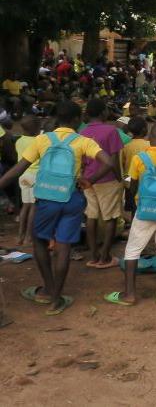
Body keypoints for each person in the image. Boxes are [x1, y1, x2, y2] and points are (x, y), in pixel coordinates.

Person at [0, 101, 113, 314]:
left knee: (39, 241)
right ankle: (56, 300)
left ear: (58, 119)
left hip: (46, 199)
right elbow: (108, 162)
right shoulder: (83, 141)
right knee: (63, 247)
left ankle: (48, 288)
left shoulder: (42, 139)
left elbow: (17, 169)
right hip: (71, 199)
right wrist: (89, 180)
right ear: (76, 120)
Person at [105, 123, 156, 305]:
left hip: (144, 209)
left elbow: (132, 186)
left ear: (149, 138)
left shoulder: (139, 158)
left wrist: (135, 201)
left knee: (133, 250)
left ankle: (129, 294)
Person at [80, 98, 125, 269]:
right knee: (110, 217)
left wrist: (85, 177)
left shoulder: (82, 132)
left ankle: (94, 256)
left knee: (91, 216)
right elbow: (113, 160)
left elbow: (82, 160)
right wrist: (120, 179)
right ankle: (105, 256)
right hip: (108, 180)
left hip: (88, 180)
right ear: (102, 112)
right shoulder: (111, 131)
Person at [14, 114, 41, 246]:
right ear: (36, 128)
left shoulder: (19, 141)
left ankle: (20, 235)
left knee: (25, 205)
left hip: (23, 176)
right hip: (35, 176)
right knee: (33, 206)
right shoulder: (38, 141)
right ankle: (29, 237)